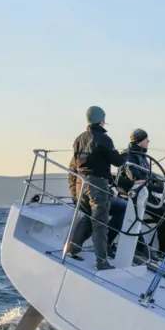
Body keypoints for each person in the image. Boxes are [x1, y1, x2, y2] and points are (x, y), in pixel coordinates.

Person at [66, 106, 126, 270]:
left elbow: (75, 164)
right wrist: (126, 154)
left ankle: (73, 248)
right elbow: (118, 161)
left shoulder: (78, 139)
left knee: (87, 216)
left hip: (81, 184)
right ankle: (102, 262)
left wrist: (74, 192)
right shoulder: (104, 139)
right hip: (97, 185)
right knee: (100, 223)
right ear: (101, 120)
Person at [119, 128, 165, 260]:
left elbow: (149, 178)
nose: (148, 141)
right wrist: (156, 187)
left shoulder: (142, 157)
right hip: (134, 196)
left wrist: (160, 185)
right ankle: (164, 251)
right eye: (146, 139)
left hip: (145, 195)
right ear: (139, 142)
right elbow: (137, 179)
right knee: (163, 213)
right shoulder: (128, 156)